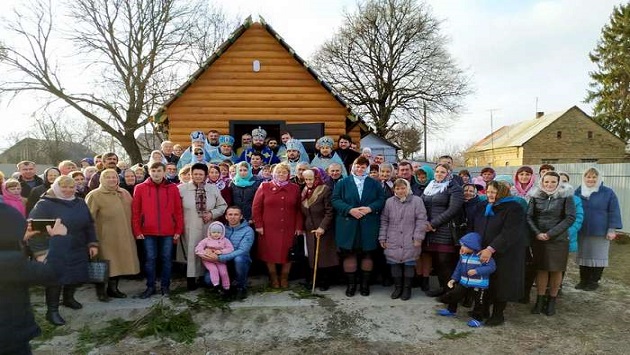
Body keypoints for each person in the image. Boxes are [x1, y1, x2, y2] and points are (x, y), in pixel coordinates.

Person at [28, 175, 99, 326]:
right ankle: (52, 311)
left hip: (77, 245)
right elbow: (33, 230)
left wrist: (92, 243)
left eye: (71, 187)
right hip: (55, 247)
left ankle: (69, 299)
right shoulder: (44, 204)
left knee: (75, 274)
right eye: (64, 187)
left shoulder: (79, 202)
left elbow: (89, 224)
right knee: (55, 279)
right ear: (55, 187)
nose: (68, 190)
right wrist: (40, 252)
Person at [0, 205, 66, 354]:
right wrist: (59, 239)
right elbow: (52, 273)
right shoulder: (11, 262)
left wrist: (19, 239)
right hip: (9, 338)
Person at [468, 180, 527, 326]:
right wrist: (472, 244)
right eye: (488, 191)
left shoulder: (514, 208)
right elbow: (473, 225)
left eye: (494, 192)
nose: (490, 195)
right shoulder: (482, 205)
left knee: (501, 283)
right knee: (485, 282)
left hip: (505, 252)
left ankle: (498, 314)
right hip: (483, 250)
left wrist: (491, 248)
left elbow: (510, 232)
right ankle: (483, 309)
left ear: (502, 192)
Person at [332, 156, 385, 297]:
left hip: (369, 224)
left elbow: (381, 199)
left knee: (367, 254)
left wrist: (370, 208)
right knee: (350, 254)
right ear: (352, 166)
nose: (360, 169)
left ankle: (364, 285)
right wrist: (350, 210)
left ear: (367, 168)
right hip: (348, 224)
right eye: (357, 166)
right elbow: (335, 200)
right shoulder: (343, 183)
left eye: (363, 167)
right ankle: (351, 285)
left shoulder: (374, 183)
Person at [85, 169, 140, 300]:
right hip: (105, 236)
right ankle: (101, 292)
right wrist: (91, 238)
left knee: (118, 264)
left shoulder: (124, 193)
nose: (111, 179)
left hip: (124, 234)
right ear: (101, 179)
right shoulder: (95, 195)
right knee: (103, 264)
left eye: (114, 177)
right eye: (107, 177)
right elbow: (88, 218)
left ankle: (113, 288)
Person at [132, 162, 184, 298]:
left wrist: (178, 229)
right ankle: (150, 286)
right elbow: (136, 211)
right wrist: (137, 230)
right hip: (147, 231)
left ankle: (165, 287)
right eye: (153, 170)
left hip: (168, 231)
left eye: (159, 170)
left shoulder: (172, 188)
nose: (156, 173)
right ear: (149, 172)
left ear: (164, 171)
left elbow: (178, 210)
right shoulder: (140, 188)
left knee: (166, 258)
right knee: (150, 259)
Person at [527, 171, 576, 316]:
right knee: (541, 269)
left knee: (556, 270)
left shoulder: (566, 197)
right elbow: (529, 216)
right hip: (539, 239)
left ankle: (552, 300)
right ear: (542, 182)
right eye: (546, 182)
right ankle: (540, 300)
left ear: (559, 183)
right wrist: (537, 233)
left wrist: (550, 234)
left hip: (558, 240)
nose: (549, 185)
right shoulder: (535, 196)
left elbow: (570, 218)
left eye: (553, 182)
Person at [253, 163, 303, 288]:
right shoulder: (264, 186)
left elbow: (299, 209)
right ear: (273, 173)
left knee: (289, 252)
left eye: (284, 172)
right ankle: (273, 277)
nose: (281, 174)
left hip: (289, 226)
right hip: (268, 227)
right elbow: (256, 207)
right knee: (269, 252)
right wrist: (258, 225)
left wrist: (298, 226)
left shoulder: (295, 188)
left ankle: (284, 277)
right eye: (278, 172)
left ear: (288, 175)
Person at [177, 163, 227, 291]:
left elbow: (222, 206)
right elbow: (175, 209)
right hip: (189, 226)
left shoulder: (213, 189)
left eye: (201, 174)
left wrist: (212, 213)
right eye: (195, 174)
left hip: (209, 227)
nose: (198, 176)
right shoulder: (181, 189)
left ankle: (207, 279)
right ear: (191, 174)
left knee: (208, 250)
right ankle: (191, 279)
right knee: (192, 252)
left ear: (205, 176)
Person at [574, 167, 622, 291]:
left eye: (594, 177)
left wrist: (612, 229)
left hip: (601, 231)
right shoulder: (578, 191)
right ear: (584, 178)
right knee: (584, 255)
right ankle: (583, 280)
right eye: (588, 176)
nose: (591, 179)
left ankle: (593, 281)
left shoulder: (607, 192)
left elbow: (614, 210)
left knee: (598, 256)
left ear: (599, 178)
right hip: (582, 230)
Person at [378, 178, 427, 301]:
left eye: (403, 188)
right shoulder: (389, 202)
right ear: (394, 189)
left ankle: (407, 289)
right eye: (397, 188)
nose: (400, 191)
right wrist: (382, 237)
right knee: (394, 264)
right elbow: (384, 220)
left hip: (410, 238)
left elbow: (421, 220)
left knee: (409, 264)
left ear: (408, 188)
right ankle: (398, 288)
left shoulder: (417, 201)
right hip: (392, 238)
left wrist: (418, 237)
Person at [421, 164, 464, 297]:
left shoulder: (454, 188)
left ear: (449, 174)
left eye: (443, 172)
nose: (439, 174)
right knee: (437, 263)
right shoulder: (430, 186)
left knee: (445, 262)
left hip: (444, 230)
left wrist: (433, 223)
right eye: (437, 171)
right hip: (429, 231)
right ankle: (443, 288)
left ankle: (451, 292)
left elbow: (453, 209)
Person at [437, 232, 496, 327]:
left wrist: (477, 271)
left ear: (472, 246)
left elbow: (491, 267)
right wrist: (453, 279)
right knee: (456, 294)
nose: (462, 247)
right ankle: (451, 309)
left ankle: (478, 318)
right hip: (464, 282)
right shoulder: (463, 256)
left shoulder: (482, 256)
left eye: (464, 245)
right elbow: (458, 268)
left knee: (479, 301)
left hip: (479, 284)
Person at [202, 206, 254, 300]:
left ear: (241, 216)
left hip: (238, 262)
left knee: (239, 258)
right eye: (230, 214)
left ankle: (241, 287)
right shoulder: (221, 230)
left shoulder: (248, 230)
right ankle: (224, 287)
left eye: (236, 214)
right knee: (208, 281)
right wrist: (208, 252)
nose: (233, 217)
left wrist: (220, 257)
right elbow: (209, 242)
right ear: (226, 216)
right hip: (221, 263)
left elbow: (243, 250)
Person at [300, 168, 338, 291]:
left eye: (310, 179)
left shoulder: (325, 190)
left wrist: (322, 227)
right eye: (306, 179)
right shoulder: (304, 190)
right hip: (309, 228)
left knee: (324, 256)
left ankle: (325, 281)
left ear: (316, 178)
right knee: (311, 255)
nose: (308, 182)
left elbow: (329, 211)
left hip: (323, 227)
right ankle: (313, 280)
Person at [195, 221, 234, 292]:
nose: (216, 234)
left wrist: (222, 251)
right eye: (214, 232)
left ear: (222, 233)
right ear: (210, 232)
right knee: (213, 270)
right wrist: (205, 253)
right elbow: (198, 249)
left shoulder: (225, 240)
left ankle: (226, 287)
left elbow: (230, 249)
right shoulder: (206, 240)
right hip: (208, 260)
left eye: (219, 232)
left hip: (220, 260)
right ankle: (216, 285)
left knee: (223, 272)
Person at [558, 172, 584, 254]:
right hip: (550, 241)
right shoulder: (547, 198)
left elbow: (579, 219)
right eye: (559, 180)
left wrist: (568, 232)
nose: (562, 183)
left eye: (564, 181)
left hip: (569, 240)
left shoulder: (575, 199)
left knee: (568, 266)